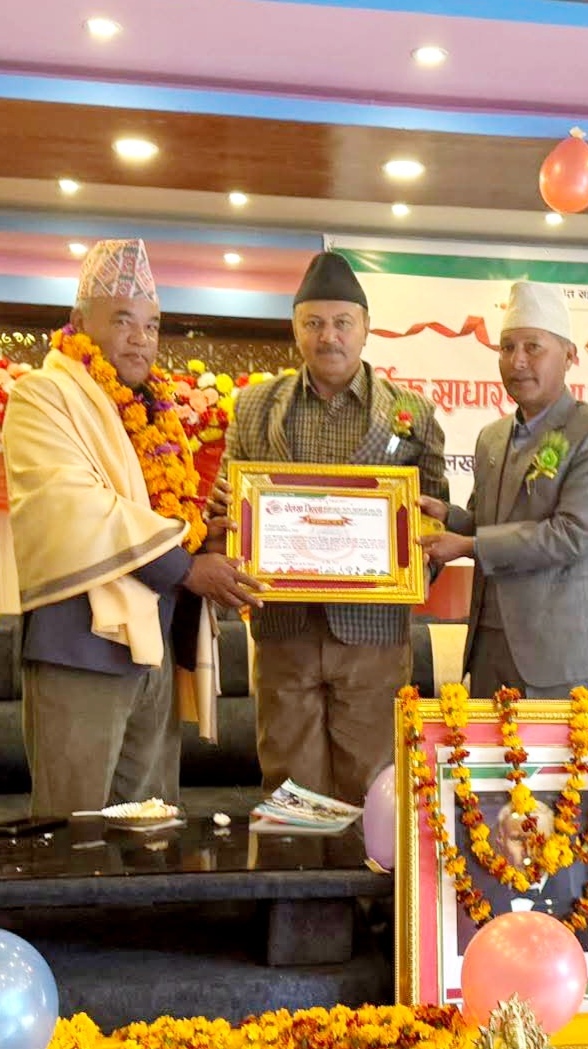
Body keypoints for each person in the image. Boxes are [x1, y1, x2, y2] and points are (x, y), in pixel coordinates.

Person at [4, 238, 261, 816]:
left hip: (154, 648)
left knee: (152, 828)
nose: (140, 338)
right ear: (78, 323)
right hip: (80, 648)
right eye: (122, 320)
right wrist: (187, 566)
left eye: (151, 325)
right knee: (75, 831)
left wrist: (206, 533)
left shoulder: (151, 409)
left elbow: (158, 512)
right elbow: (75, 506)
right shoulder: (43, 395)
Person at [213, 251, 448, 803]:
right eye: (313, 323)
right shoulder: (254, 406)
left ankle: (363, 867)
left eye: (342, 322)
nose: (328, 337)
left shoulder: (411, 412)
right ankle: (294, 865)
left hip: (372, 636)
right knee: (289, 789)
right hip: (284, 629)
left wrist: (415, 563)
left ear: (365, 327)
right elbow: (227, 500)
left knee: (374, 785)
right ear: (295, 328)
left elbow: (434, 515)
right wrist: (224, 516)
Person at [419, 280, 588, 700]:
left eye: (533, 347)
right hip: (488, 642)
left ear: (569, 356)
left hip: (561, 650)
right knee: (485, 747)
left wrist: (467, 546)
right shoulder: (492, 437)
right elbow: (487, 523)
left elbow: (573, 534)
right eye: (507, 347)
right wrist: (447, 517)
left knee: (558, 748)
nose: (517, 361)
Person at [455, 798, 588, 954]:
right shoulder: (479, 904)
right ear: (500, 842)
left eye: (540, 840)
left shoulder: (577, 907)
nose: (529, 849)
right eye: (518, 839)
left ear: (556, 843)